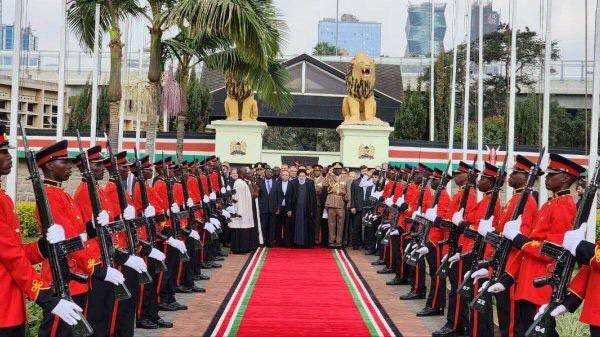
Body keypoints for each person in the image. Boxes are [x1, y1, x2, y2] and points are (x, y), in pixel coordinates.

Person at [488, 153, 584, 337]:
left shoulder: (564, 206)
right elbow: (532, 244)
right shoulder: (551, 203)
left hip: (541, 282)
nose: (546, 178)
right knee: (526, 330)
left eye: (551, 174)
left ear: (565, 178)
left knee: (540, 331)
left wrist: (518, 239)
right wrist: (508, 278)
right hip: (528, 281)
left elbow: (552, 251)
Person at [35, 140, 123, 337]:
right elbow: (68, 243)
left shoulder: (61, 194)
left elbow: (79, 235)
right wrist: (96, 267)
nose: (70, 167)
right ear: (49, 165)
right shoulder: (49, 196)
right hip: (63, 278)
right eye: (64, 162)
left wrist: (92, 227)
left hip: (77, 276)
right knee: (57, 331)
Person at [0, 127, 82, 337]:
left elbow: (17, 250)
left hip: (10, 302)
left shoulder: (4, 199)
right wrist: (43, 294)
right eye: (3, 151)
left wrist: (42, 246)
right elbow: (11, 256)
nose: (10, 157)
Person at [433, 161, 478, 337]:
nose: (456, 176)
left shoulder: (469, 195)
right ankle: (454, 323)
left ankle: (455, 326)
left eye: (459, 173)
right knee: (455, 287)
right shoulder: (461, 194)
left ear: (468, 176)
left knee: (458, 290)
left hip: (461, 246)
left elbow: (467, 225)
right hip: (454, 243)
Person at [230, 167, 260, 253]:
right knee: (240, 229)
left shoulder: (244, 182)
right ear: (242, 173)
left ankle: (245, 248)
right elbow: (236, 198)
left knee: (245, 229)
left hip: (246, 209)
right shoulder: (238, 183)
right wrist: (238, 211)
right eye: (247, 172)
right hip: (241, 210)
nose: (248, 174)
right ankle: (239, 249)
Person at [290, 169, 317, 248]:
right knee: (296, 225)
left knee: (307, 225)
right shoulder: (293, 183)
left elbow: (313, 197)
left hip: (307, 209)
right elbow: (290, 197)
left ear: (306, 176)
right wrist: (290, 209)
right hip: (296, 209)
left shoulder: (310, 183)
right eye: (300, 176)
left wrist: (312, 209)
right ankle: (296, 243)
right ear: (297, 176)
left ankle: (306, 244)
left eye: (303, 176)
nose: (301, 177)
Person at [323, 162, 348, 248]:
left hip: (341, 202)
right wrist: (328, 174)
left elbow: (348, 190)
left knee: (341, 224)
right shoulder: (330, 176)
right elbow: (324, 184)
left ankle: (339, 242)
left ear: (342, 170)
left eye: (339, 169)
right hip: (331, 201)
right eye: (336, 169)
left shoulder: (346, 178)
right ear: (333, 170)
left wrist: (348, 203)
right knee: (331, 223)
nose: (337, 170)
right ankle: (331, 242)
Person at [349, 166, 373, 250]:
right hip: (358, 206)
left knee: (368, 227)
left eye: (366, 170)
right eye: (363, 171)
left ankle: (366, 244)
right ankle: (356, 244)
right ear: (360, 172)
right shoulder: (355, 182)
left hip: (368, 207)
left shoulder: (371, 181)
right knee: (356, 226)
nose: (364, 172)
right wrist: (352, 206)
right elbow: (352, 195)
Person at [258, 168, 280, 247]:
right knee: (263, 226)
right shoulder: (260, 183)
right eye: (267, 172)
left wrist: (278, 208)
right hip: (263, 208)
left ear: (272, 174)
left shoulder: (276, 183)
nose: (269, 173)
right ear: (265, 173)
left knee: (272, 226)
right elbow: (258, 197)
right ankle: (263, 242)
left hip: (273, 209)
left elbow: (279, 197)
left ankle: (270, 242)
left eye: (271, 172)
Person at [276, 169, 295, 246]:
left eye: (286, 175)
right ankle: (278, 241)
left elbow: (293, 198)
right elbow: (275, 197)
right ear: (281, 175)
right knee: (278, 225)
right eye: (283, 175)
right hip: (279, 208)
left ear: (289, 176)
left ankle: (287, 242)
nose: (284, 176)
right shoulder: (277, 184)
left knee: (287, 225)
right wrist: (277, 208)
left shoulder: (292, 185)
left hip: (288, 209)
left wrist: (290, 209)